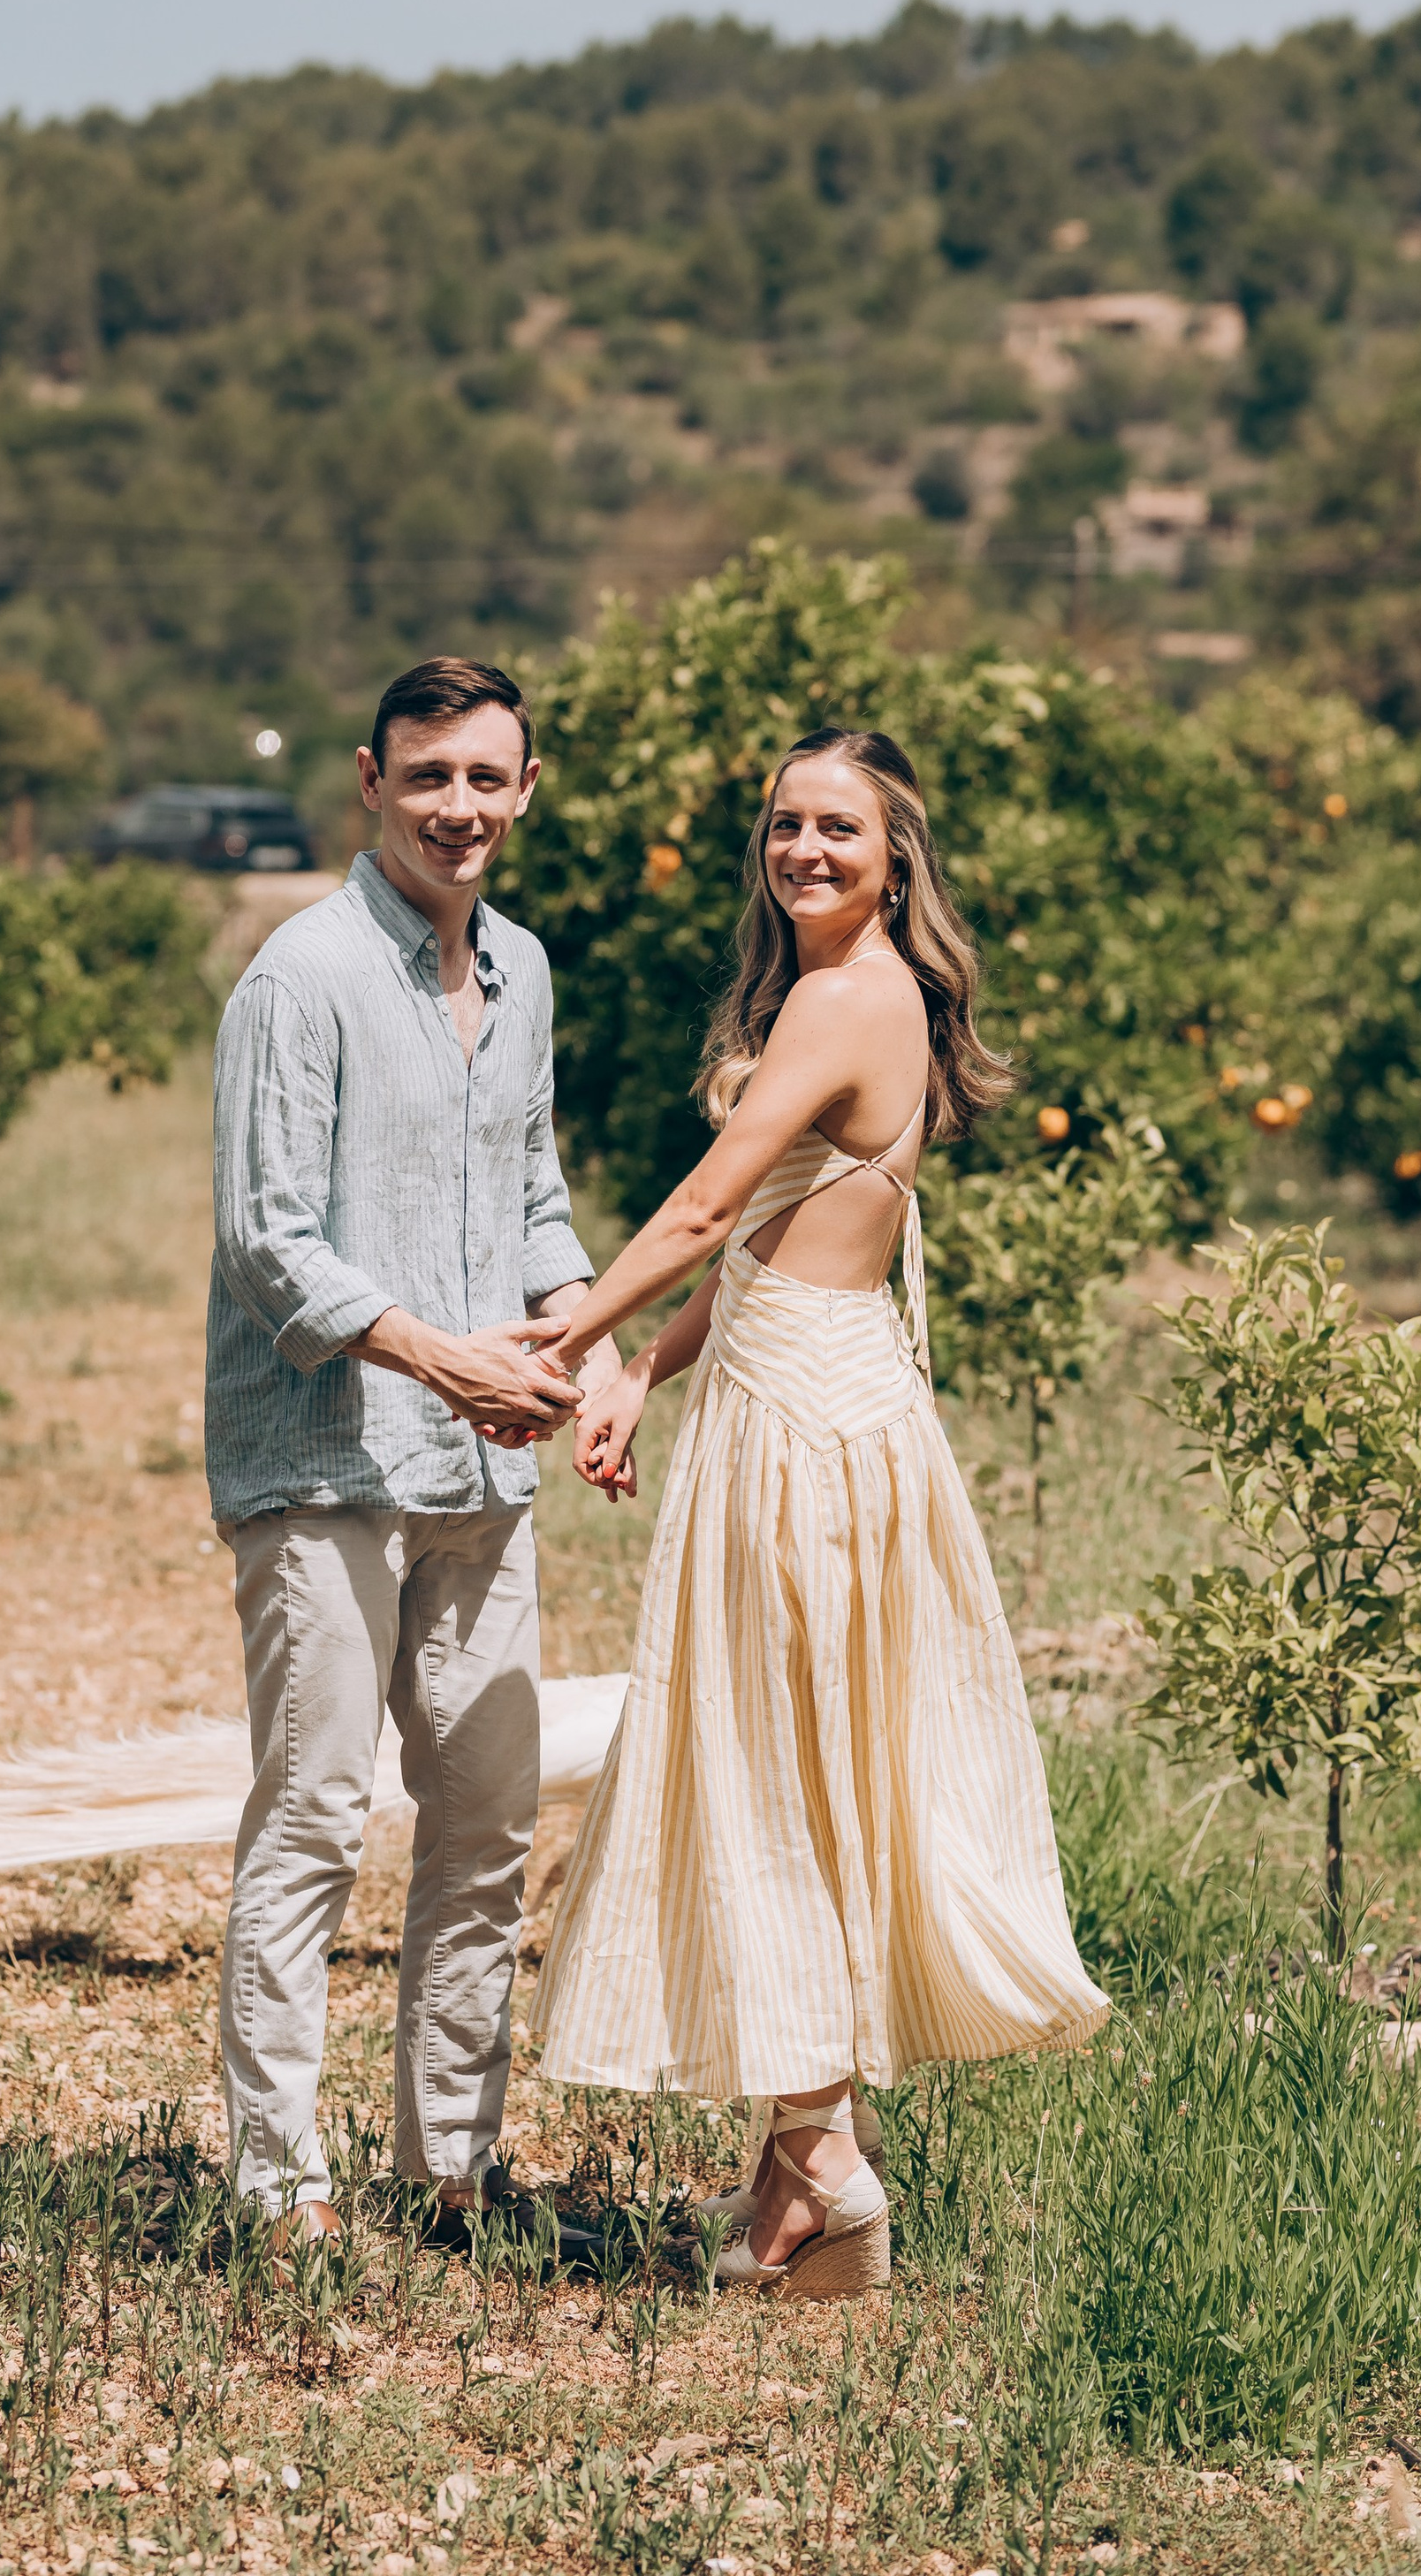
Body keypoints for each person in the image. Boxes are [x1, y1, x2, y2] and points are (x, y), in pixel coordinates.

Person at [532, 728, 1111, 2300]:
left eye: (840, 827)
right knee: (806, 1759)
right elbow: (770, 1242)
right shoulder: (850, 995)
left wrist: (568, 1346)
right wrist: (648, 1370)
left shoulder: (848, 1000)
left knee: (769, 1765)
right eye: (785, 823)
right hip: (822, 1387)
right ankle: (800, 2172)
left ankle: (822, 2160)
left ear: (897, 857)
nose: (805, 848)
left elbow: (710, 1208)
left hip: (800, 1426)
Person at [206, 657, 619, 2244]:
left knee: (487, 1823)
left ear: (528, 790)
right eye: (429, 775)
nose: (459, 807)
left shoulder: (524, 971)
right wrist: (449, 1361)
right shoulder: (299, 978)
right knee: (316, 1816)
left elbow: (535, 1198)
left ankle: (450, 2173)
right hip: (325, 1459)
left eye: (486, 778)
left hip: (481, 1473)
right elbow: (270, 1244)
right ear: (371, 782)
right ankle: (276, 2188)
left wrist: (585, 1350)